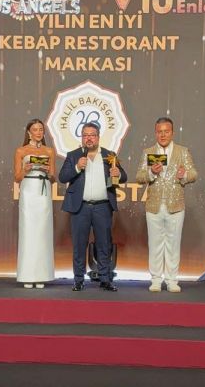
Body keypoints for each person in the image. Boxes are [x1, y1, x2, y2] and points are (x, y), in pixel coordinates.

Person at [58, 122, 127, 292]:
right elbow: (62, 177)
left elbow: (124, 176)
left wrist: (118, 173)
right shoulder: (74, 155)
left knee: (104, 244)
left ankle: (105, 279)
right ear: (82, 138)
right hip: (80, 207)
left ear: (98, 137)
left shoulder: (109, 155)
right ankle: (78, 280)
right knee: (79, 245)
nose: (89, 138)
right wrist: (77, 167)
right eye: (85, 135)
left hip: (102, 207)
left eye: (92, 135)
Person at [136, 117, 198, 292]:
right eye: (159, 132)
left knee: (173, 244)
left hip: (175, 206)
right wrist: (151, 172)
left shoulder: (182, 151)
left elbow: (194, 174)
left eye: (166, 131)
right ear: (155, 133)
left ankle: (172, 280)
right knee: (155, 244)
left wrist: (183, 175)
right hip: (154, 206)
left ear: (172, 132)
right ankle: (156, 280)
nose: (163, 135)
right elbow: (139, 176)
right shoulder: (148, 152)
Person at [13, 119, 56, 289]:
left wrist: (48, 172)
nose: (38, 132)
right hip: (28, 190)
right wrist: (26, 169)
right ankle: (27, 274)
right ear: (29, 132)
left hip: (43, 190)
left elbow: (53, 177)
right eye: (35, 129)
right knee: (28, 231)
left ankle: (42, 275)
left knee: (42, 232)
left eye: (41, 129)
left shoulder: (49, 151)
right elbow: (17, 177)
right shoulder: (21, 151)